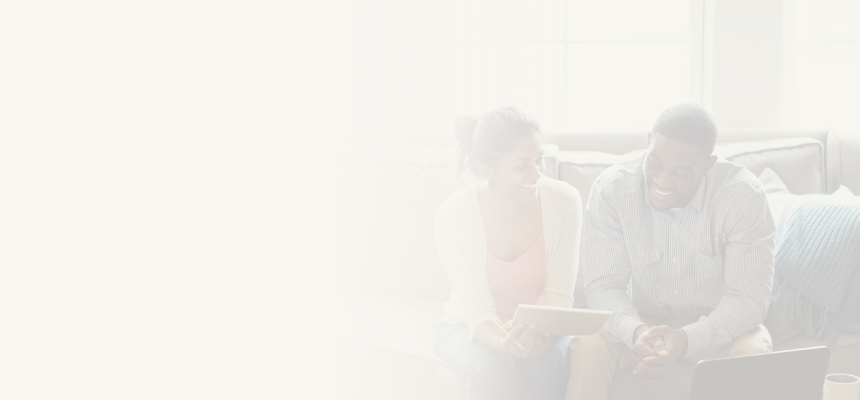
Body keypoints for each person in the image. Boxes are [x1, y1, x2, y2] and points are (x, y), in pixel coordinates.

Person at [565, 103, 775, 400]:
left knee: (753, 348)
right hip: (637, 326)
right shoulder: (613, 190)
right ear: (649, 141)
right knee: (589, 345)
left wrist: (685, 340)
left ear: (708, 165)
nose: (662, 181)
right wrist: (636, 332)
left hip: (710, 330)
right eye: (655, 163)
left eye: (680, 172)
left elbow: (749, 300)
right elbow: (603, 287)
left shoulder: (742, 197)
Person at [434, 106, 583, 400]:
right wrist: (503, 342)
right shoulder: (454, 215)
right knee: (493, 365)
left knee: (550, 361)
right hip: (469, 327)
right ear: (488, 170)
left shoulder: (565, 202)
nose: (536, 173)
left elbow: (559, 298)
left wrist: (545, 335)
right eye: (521, 166)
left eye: (539, 160)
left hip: (540, 327)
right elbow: (475, 308)